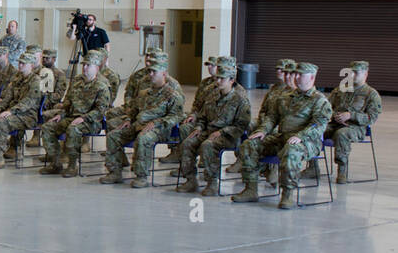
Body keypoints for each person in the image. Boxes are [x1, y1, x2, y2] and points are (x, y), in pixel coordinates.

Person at [233, 62, 332, 209]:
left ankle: (287, 194)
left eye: (300, 75)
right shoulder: (286, 97)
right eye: (295, 74)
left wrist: (301, 136)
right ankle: (251, 189)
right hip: (283, 137)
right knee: (250, 144)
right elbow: (272, 117)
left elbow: (318, 125)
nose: (296, 77)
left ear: (311, 78)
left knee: (291, 151)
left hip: (307, 141)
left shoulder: (319, 100)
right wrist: (263, 130)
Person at [101, 52, 184, 188]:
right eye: (150, 71)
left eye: (154, 72)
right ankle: (115, 172)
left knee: (143, 138)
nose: (150, 74)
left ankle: (141, 176)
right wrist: (128, 119)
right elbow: (135, 109)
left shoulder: (173, 94)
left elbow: (176, 116)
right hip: (139, 124)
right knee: (113, 135)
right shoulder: (145, 93)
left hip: (159, 129)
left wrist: (156, 123)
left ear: (163, 74)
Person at [175, 61, 251, 195]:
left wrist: (222, 131)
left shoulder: (240, 99)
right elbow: (203, 117)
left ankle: (212, 183)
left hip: (229, 136)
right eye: (217, 78)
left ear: (232, 80)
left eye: (222, 78)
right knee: (188, 143)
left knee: (208, 145)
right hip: (208, 132)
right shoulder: (212, 95)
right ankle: (191, 179)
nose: (218, 81)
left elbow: (241, 126)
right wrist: (198, 128)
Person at [39, 52, 111, 177]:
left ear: (97, 67)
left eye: (88, 65)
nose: (84, 68)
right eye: (84, 65)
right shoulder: (78, 82)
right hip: (71, 117)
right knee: (47, 127)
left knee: (73, 130)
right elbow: (68, 103)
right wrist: (61, 115)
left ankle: (72, 165)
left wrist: (83, 118)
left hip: (91, 121)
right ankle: (56, 163)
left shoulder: (102, 86)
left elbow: (100, 111)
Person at [0, 51, 42, 169]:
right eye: (20, 63)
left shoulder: (36, 80)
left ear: (31, 65)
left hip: (28, 116)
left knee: (0, 122)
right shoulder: (16, 79)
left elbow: (29, 101)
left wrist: (11, 111)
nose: (20, 65)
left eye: (24, 64)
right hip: (14, 113)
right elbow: (7, 98)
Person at [325, 61, 382, 184]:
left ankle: (342, 171)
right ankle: (312, 167)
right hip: (335, 124)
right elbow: (326, 108)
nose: (352, 75)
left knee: (342, 134)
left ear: (366, 74)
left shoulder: (371, 94)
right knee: (315, 130)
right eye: (351, 72)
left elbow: (372, 118)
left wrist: (351, 115)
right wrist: (335, 115)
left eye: (356, 72)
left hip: (356, 128)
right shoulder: (340, 89)